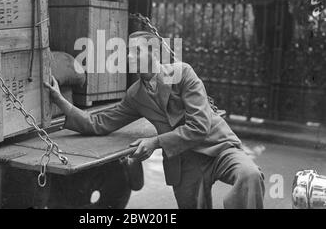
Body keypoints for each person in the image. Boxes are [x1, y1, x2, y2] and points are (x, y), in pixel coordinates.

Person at [44, 31, 265, 209]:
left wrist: (155, 142)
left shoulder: (182, 74)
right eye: (127, 53)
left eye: (135, 52)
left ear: (154, 53)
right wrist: (60, 100)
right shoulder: (136, 94)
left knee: (250, 175)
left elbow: (199, 127)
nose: (128, 58)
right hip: (184, 162)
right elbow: (99, 123)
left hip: (218, 147)